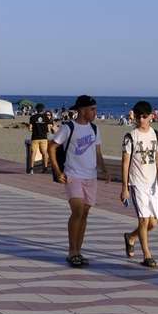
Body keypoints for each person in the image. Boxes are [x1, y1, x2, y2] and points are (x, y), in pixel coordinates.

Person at [47, 95, 110, 268]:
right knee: (77, 210)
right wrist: (58, 171)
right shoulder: (69, 128)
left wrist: (103, 170)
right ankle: (71, 251)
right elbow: (51, 147)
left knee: (84, 214)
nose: (95, 113)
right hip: (72, 175)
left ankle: (78, 251)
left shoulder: (95, 129)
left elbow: (97, 153)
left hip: (91, 177)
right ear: (83, 111)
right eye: (92, 110)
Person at [121, 101, 158, 268]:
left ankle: (130, 237)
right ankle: (147, 255)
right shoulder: (130, 137)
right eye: (138, 116)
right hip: (136, 183)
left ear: (150, 117)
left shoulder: (156, 135)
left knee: (153, 222)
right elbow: (125, 163)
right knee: (143, 220)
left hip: (152, 183)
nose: (141, 120)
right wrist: (124, 187)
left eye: (144, 116)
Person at [27, 103, 53, 174]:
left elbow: (30, 129)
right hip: (43, 137)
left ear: (36, 109)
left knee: (33, 153)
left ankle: (31, 168)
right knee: (44, 153)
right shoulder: (46, 118)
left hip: (35, 137)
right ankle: (45, 168)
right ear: (43, 109)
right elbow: (48, 129)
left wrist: (35, 130)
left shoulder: (32, 117)